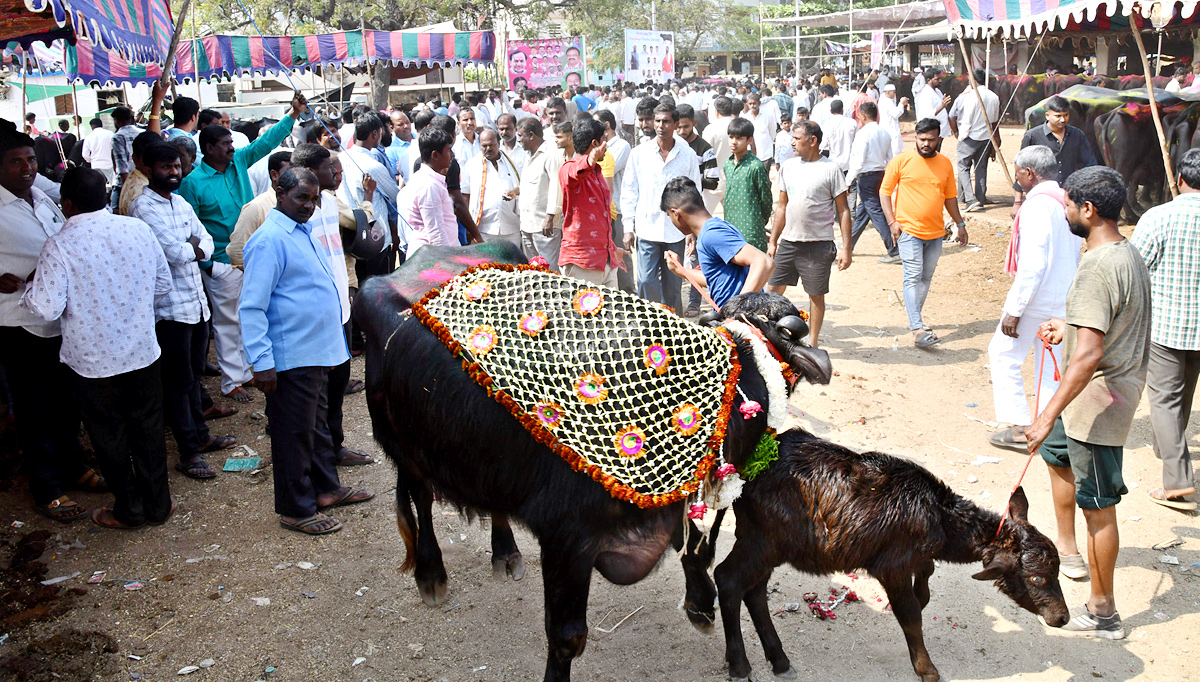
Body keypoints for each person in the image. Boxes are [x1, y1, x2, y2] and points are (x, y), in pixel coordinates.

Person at [1024, 166, 1151, 639]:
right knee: (1059, 463)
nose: (1067, 213)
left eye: (1070, 206)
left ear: (1089, 210)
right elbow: (1102, 327)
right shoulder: (1122, 250)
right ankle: (1070, 552)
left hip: (1097, 406)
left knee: (1098, 507)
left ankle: (1103, 611)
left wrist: (1045, 414)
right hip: (1086, 404)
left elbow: (1092, 354)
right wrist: (1068, 326)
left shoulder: (1100, 266)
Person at [22, 167, 174, 529]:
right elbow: (163, 286)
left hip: (93, 363)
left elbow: (45, 309)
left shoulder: (60, 244)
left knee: (109, 435)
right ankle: (158, 504)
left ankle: (129, 510)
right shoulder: (137, 229)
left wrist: (29, 288)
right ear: (105, 197)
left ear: (66, 203)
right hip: (141, 352)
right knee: (148, 429)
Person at [240, 168, 374, 536]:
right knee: (293, 435)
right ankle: (296, 508)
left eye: (314, 198)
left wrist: (331, 349)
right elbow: (252, 307)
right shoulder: (269, 240)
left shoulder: (304, 230)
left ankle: (327, 489)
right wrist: (262, 362)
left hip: (315, 351)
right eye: (301, 197)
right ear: (279, 193)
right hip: (289, 356)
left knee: (317, 427)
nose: (310, 206)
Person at [0, 121, 99, 523]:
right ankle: (47, 487)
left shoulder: (42, 197)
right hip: (18, 322)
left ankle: (73, 467)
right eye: (14, 162)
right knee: (33, 409)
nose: (25, 168)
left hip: (59, 319)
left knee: (65, 402)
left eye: (29, 160)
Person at [179, 91, 306, 403]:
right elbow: (188, 227)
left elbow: (264, 144)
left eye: (231, 144)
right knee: (227, 323)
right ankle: (231, 381)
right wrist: (210, 266)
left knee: (253, 313)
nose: (232, 148)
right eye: (225, 144)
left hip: (254, 253)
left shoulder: (237, 163)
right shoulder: (192, 182)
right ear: (207, 149)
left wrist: (293, 113)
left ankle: (249, 370)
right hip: (221, 262)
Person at [130, 142, 238, 481]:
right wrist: (193, 247)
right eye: (166, 168)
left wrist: (194, 247)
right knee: (177, 383)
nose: (174, 172)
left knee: (194, 377)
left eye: (177, 166)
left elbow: (204, 242)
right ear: (149, 170)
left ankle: (201, 436)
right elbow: (175, 253)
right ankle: (188, 452)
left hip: (195, 302)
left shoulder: (180, 202)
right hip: (169, 309)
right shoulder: (142, 208)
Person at [987, 146, 1082, 466]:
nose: (1016, 178)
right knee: (1050, 364)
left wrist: (1014, 310)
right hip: (1064, 296)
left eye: (1017, 172)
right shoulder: (1066, 200)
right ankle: (1049, 425)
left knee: (1003, 353)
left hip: (1038, 298)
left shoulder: (1038, 206)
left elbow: (1033, 264)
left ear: (1029, 173)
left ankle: (1018, 427)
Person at [1129, 147, 1200, 512]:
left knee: (1165, 398)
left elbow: (1135, 267)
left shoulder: (1158, 217)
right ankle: (1167, 444)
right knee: (1185, 390)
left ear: (1179, 180)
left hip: (1168, 325)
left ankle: (1178, 483)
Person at [880, 118, 969, 348]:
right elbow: (885, 192)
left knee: (926, 278)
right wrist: (892, 222)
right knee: (913, 275)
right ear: (915, 139)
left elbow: (950, 198)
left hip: (936, 232)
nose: (926, 144)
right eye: (922, 139)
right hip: (908, 230)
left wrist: (960, 224)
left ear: (939, 139)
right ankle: (918, 329)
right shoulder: (901, 161)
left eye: (931, 139)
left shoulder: (946, 164)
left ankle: (914, 320)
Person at [768, 120, 852, 347]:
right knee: (772, 292)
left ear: (812, 141)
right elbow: (782, 206)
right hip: (789, 242)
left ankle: (813, 344)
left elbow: (843, 210)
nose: (792, 142)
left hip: (818, 245)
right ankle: (770, 339)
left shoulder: (831, 169)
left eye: (797, 138)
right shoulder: (788, 166)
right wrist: (773, 241)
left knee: (815, 296)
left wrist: (846, 248)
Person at [621, 104, 701, 313]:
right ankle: (650, 322)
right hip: (647, 228)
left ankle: (674, 329)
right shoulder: (640, 154)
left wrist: (692, 230)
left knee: (674, 284)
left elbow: (694, 193)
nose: (660, 126)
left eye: (666, 121)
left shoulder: (687, 154)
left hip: (676, 231)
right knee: (646, 281)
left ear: (675, 124)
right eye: (657, 121)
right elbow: (629, 191)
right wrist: (628, 227)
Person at [661, 177, 773, 308]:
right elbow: (713, 278)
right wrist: (679, 270)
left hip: (742, 320)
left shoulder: (712, 234)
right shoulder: (711, 231)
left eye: (669, 216)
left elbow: (764, 262)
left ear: (676, 214)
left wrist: (737, 309)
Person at [558, 119, 622, 285]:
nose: (606, 146)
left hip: (606, 261)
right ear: (595, 143)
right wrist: (589, 159)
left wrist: (612, 248)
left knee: (611, 310)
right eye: (603, 141)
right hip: (581, 262)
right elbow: (575, 172)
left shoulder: (597, 171)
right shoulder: (568, 168)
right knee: (583, 310)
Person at [1012, 95, 1097, 214]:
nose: (1063, 120)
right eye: (1058, 116)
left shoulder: (1077, 135)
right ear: (1047, 115)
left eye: (1066, 115)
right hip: (1042, 198)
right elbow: (1021, 170)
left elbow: (1090, 165)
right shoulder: (1033, 136)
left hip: (1069, 198)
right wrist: (1017, 202)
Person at [338, 112, 400, 269]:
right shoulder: (372, 166)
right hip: (375, 238)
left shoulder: (342, 157)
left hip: (351, 235)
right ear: (374, 134)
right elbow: (394, 196)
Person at [847, 101, 898, 263]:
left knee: (876, 213)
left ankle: (893, 250)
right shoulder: (884, 133)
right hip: (880, 175)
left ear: (862, 116)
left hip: (866, 177)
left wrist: (847, 182)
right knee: (864, 212)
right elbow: (890, 159)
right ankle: (849, 244)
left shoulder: (863, 134)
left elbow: (858, 162)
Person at [226, 152, 294, 266]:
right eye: (291, 173)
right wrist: (264, 273)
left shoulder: (303, 205)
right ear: (274, 175)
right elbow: (236, 252)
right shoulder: (257, 207)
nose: (297, 177)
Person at [948, 69, 1000, 212]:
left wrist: (961, 136)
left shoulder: (972, 96)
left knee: (963, 167)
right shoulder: (993, 96)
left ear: (973, 81)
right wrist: (995, 138)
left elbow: (967, 121)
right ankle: (980, 199)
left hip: (971, 136)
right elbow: (995, 121)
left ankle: (970, 199)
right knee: (981, 168)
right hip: (986, 138)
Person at [400, 126, 458, 252]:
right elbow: (436, 235)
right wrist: (449, 263)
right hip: (433, 258)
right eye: (448, 151)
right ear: (435, 155)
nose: (452, 155)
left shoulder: (430, 180)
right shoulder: (429, 186)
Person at [463, 129, 521, 245]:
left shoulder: (513, 163)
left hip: (511, 227)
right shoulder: (472, 165)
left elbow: (523, 187)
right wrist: (469, 227)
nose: (488, 148)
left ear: (499, 143)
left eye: (492, 145)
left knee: (514, 263)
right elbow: (465, 196)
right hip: (484, 229)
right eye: (484, 145)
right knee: (486, 263)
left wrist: (515, 192)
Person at [723, 117, 773, 253]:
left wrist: (757, 222)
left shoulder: (755, 166)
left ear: (749, 140)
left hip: (751, 231)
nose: (734, 142)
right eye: (731, 137)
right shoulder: (727, 164)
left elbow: (766, 200)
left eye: (739, 138)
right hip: (731, 227)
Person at [702, 96, 735, 213]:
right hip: (734, 181)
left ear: (716, 111)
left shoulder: (711, 129)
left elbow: (704, 155)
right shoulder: (739, 126)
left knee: (702, 218)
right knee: (734, 220)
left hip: (713, 181)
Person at [741, 92, 777, 169]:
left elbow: (773, 132)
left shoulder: (768, 116)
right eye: (750, 104)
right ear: (747, 104)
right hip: (750, 154)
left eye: (754, 103)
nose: (752, 106)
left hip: (765, 153)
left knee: (765, 178)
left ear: (759, 103)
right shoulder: (745, 117)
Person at [914, 69, 952, 138]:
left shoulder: (937, 91)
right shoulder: (926, 93)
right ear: (929, 80)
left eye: (940, 78)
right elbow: (928, 114)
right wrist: (942, 106)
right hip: (931, 131)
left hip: (940, 129)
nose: (940, 81)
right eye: (937, 79)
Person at [821, 100, 857, 174]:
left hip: (834, 162)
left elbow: (824, 145)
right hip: (849, 164)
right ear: (842, 110)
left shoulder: (828, 124)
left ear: (830, 111)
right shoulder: (852, 123)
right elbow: (858, 142)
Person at [111, 106, 141, 187]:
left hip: (127, 181)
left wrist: (126, 188)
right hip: (143, 180)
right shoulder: (143, 132)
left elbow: (121, 163)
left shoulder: (118, 137)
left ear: (117, 121)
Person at [81, 118, 116, 185]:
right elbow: (115, 148)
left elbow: (85, 154)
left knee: (97, 184)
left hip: (95, 164)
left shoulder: (89, 137)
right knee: (113, 183)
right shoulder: (110, 134)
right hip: (108, 164)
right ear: (102, 124)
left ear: (91, 126)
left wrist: (91, 160)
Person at [877, 84, 907, 156]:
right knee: (894, 150)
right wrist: (901, 104)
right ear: (888, 93)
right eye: (893, 92)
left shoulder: (884, 100)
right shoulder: (887, 102)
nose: (894, 94)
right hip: (890, 128)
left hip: (887, 127)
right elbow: (895, 114)